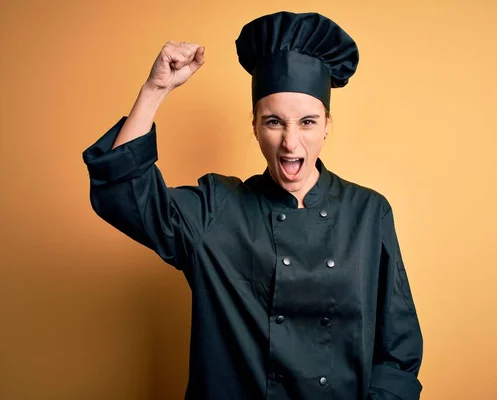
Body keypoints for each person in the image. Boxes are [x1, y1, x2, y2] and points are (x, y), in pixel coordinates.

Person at [82, 11, 423, 400]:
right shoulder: (217, 209)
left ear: (328, 124)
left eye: (307, 122)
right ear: (255, 126)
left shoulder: (368, 212)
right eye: (274, 122)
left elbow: (398, 353)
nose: (291, 143)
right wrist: (154, 90)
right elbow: (123, 195)